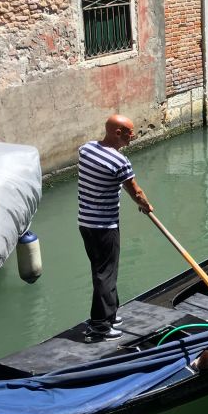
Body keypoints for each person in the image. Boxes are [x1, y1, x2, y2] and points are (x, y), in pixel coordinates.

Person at [78, 114, 153, 343]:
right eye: (130, 132)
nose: (134, 135)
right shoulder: (120, 162)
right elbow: (135, 191)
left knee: (101, 271)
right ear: (118, 133)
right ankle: (100, 327)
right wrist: (146, 206)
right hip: (104, 225)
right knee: (106, 274)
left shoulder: (86, 149)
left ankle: (110, 314)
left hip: (85, 222)